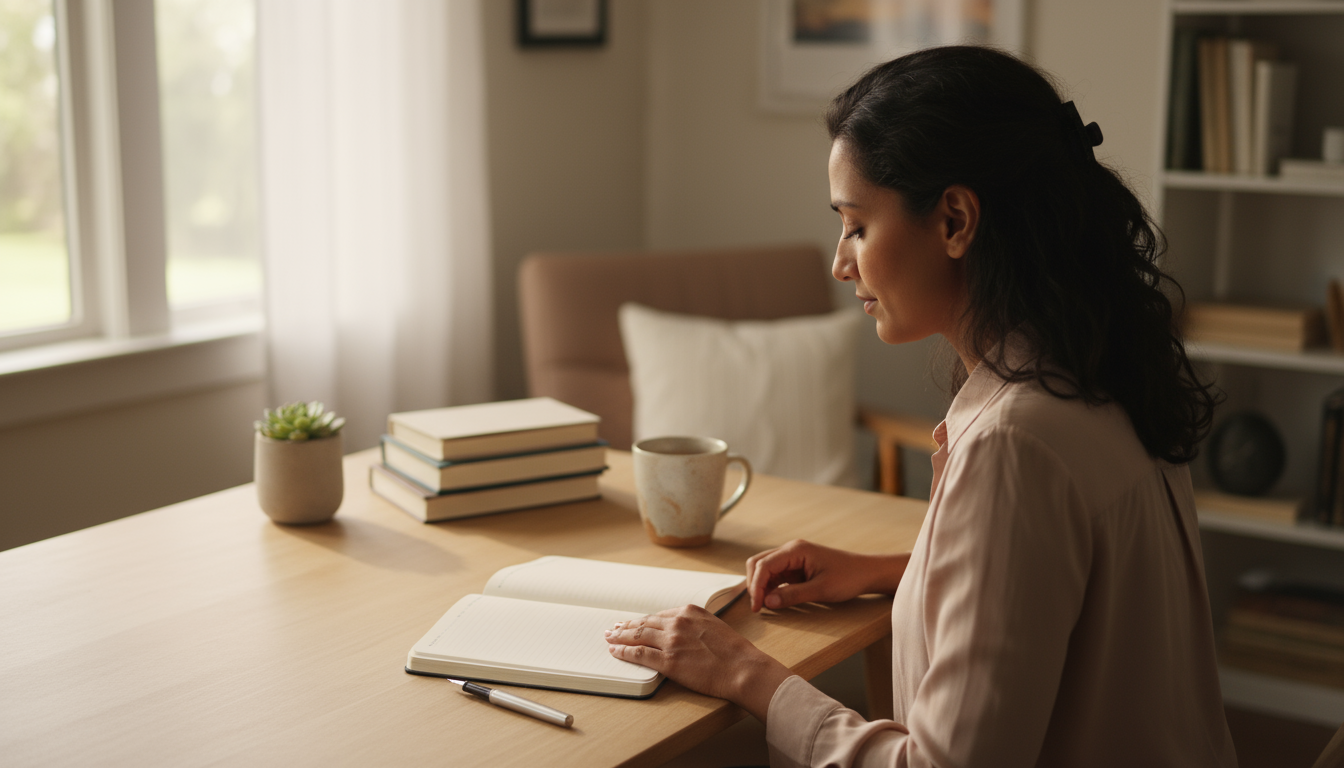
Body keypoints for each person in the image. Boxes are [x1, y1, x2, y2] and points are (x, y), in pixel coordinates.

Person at [604, 45, 1236, 767]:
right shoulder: (1105, 372)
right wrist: (897, 569)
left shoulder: (1014, 444)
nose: (842, 261)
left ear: (956, 220)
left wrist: (743, 672)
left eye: (856, 224)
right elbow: (1067, 588)